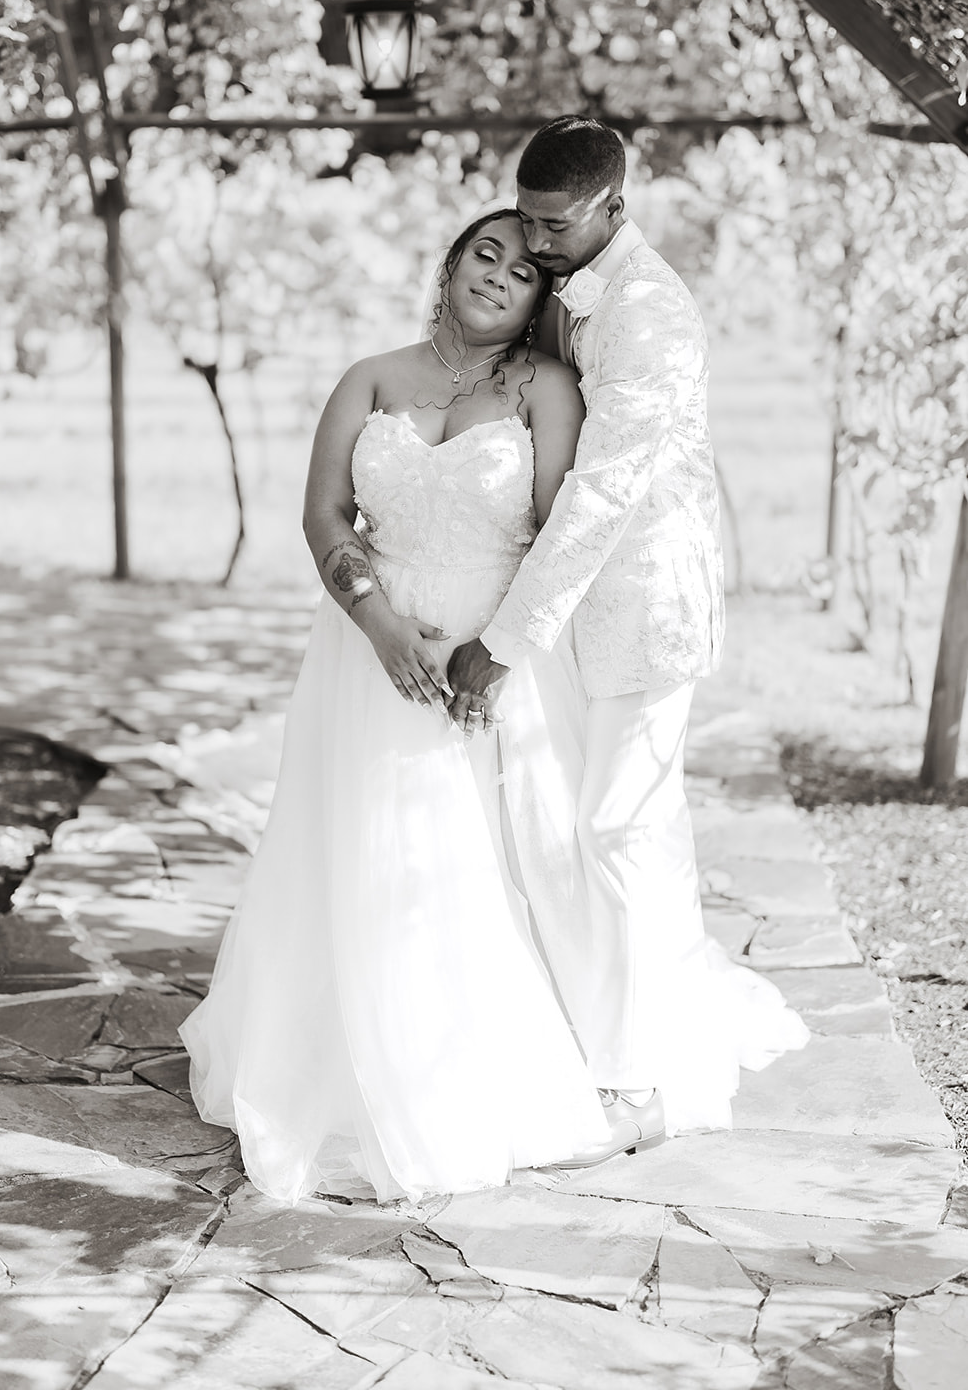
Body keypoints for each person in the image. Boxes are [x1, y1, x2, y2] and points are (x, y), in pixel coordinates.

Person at [180, 207, 620, 1205]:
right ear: (451, 262)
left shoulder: (547, 389)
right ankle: (350, 1047)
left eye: (522, 271)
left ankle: (483, 1057)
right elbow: (323, 514)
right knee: (372, 850)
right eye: (485, 254)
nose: (500, 276)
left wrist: (494, 646)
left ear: (541, 299)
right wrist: (379, 626)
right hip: (367, 649)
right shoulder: (370, 378)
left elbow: (555, 529)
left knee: (488, 859)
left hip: (487, 646)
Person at [449, 118, 808, 1158]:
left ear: (614, 205)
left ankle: (647, 1085)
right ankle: (617, 1028)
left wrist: (506, 640)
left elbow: (605, 495)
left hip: (645, 604)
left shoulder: (649, 316)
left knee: (622, 828)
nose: (534, 238)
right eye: (524, 214)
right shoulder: (563, 278)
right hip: (573, 605)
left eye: (554, 223)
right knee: (588, 829)